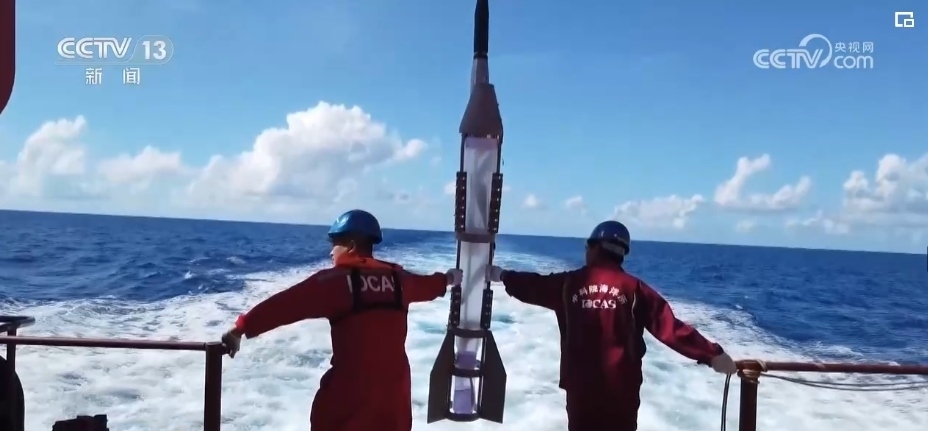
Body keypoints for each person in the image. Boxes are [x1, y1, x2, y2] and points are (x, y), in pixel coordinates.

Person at [220, 209, 463, 431]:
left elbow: (283, 306)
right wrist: (449, 279)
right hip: (394, 401)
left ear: (351, 246)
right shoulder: (401, 281)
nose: (330, 251)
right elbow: (430, 285)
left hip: (351, 401)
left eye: (335, 244)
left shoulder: (335, 283)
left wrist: (240, 328)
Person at [486, 220, 738, 431]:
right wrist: (712, 354)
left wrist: (502, 275)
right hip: (621, 393)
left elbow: (532, 285)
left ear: (594, 248)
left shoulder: (568, 284)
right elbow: (670, 328)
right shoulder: (635, 289)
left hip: (581, 391)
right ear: (621, 254)